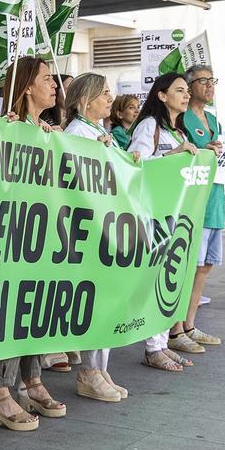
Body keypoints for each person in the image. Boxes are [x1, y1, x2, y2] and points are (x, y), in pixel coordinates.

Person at [0, 57, 65, 432]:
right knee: (9, 311)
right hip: (9, 237)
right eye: (48, 79)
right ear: (27, 86)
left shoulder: (44, 130)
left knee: (33, 307)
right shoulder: (5, 127)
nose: (55, 86)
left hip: (40, 236)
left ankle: (31, 381)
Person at [127, 72, 211, 371]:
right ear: (162, 95)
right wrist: (174, 155)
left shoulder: (179, 131)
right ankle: (152, 347)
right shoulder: (150, 127)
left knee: (170, 281)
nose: (187, 95)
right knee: (156, 281)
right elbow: (134, 165)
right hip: (154, 217)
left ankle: (161, 343)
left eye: (188, 90)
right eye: (179, 90)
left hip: (175, 217)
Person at [61, 73, 128, 402]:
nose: (109, 98)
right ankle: (88, 370)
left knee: (106, 298)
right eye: (103, 93)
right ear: (84, 100)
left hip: (107, 225)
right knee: (94, 300)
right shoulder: (77, 133)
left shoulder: (101, 132)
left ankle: (100, 367)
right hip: (87, 228)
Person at [173, 65, 224, 353]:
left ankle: (190, 324)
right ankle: (175, 328)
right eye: (203, 81)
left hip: (215, 197)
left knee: (205, 266)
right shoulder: (184, 119)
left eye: (212, 81)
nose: (210, 86)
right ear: (190, 86)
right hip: (194, 199)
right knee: (188, 264)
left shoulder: (214, 119)